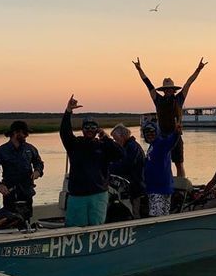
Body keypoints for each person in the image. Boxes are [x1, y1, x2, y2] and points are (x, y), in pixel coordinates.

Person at [132, 57, 207, 178]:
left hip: (176, 136)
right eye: (166, 89)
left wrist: (198, 69)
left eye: (170, 89)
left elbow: (189, 83)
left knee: (179, 164)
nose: (168, 91)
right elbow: (148, 84)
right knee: (163, 163)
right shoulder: (158, 100)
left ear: (173, 90)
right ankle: (167, 183)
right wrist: (139, 69)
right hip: (162, 136)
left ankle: (180, 188)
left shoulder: (179, 99)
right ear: (163, 91)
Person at [60, 95, 123, 228]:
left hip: (99, 195)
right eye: (87, 127)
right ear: (82, 129)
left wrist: (106, 138)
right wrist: (68, 111)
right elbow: (64, 132)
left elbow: (120, 154)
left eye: (93, 127)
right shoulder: (74, 144)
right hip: (77, 196)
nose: (89, 129)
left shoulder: (103, 145)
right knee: (74, 229)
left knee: (97, 228)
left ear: (97, 129)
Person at [0, 120, 44, 223]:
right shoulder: (1, 151)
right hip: (9, 191)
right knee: (10, 219)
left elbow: (39, 163)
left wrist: (37, 171)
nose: (26, 136)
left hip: (27, 190)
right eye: (24, 133)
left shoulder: (30, 149)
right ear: (15, 133)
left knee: (26, 218)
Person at [109, 124, 146, 218]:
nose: (115, 141)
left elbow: (126, 165)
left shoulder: (132, 147)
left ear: (122, 136)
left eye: (115, 138)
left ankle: (136, 228)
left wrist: (108, 168)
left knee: (134, 212)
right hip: (132, 184)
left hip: (135, 185)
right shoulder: (128, 146)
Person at [142, 121, 177, 217]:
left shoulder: (160, 144)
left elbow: (170, 142)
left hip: (160, 189)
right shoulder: (152, 146)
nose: (149, 134)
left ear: (157, 132)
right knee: (163, 217)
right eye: (147, 132)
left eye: (152, 132)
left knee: (157, 218)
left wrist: (176, 133)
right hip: (154, 188)